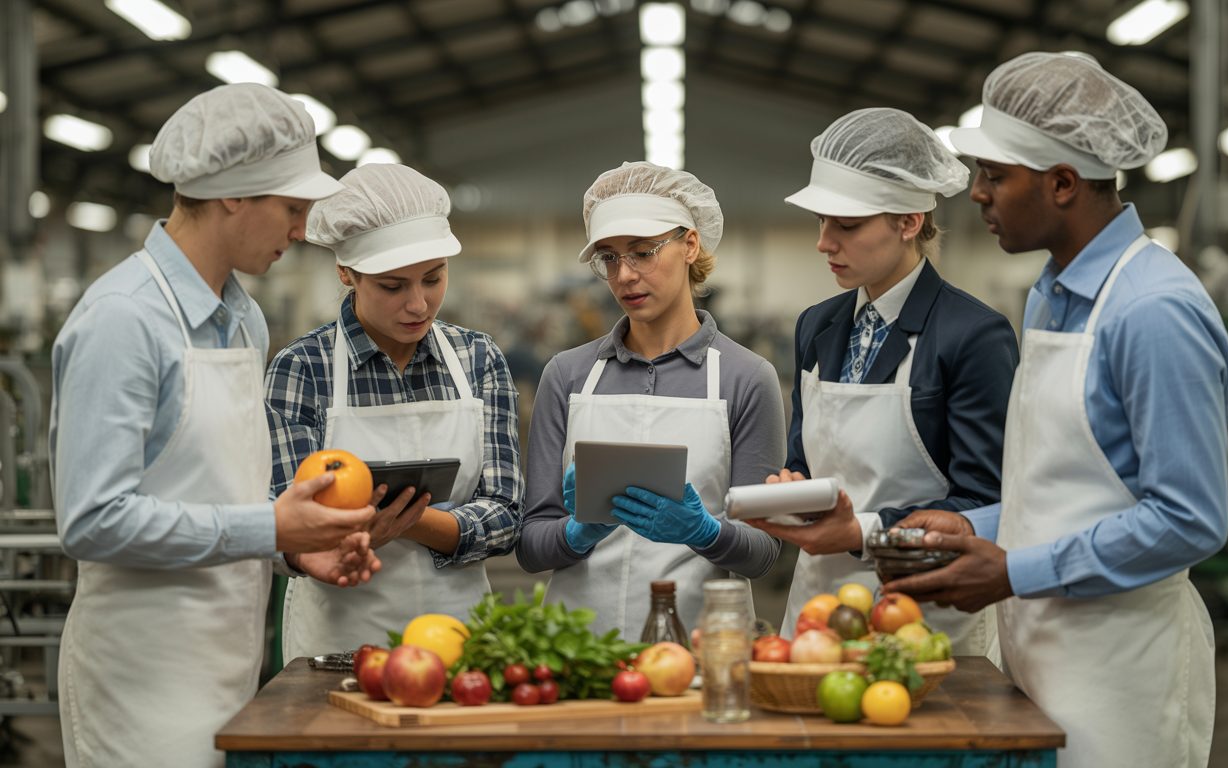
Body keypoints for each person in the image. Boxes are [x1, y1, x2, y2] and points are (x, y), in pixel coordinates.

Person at [882, 52, 1228, 768]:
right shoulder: (1051, 294)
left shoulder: (1153, 311)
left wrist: (1015, 571)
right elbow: (1067, 488)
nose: (977, 193)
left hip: (1123, 675)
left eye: (995, 175)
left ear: (1063, 183)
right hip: (1039, 656)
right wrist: (977, 525)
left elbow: (1190, 518)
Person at [49, 84, 381, 768]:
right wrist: (270, 528)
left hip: (228, 664)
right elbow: (92, 520)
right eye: (291, 209)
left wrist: (293, 552)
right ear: (233, 195)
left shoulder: (242, 319)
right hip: (139, 676)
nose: (300, 230)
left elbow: (216, 489)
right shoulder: (124, 320)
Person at [742, 108, 1018, 655]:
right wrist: (791, 492)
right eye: (821, 222)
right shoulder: (817, 326)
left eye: (846, 226)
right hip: (817, 613)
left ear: (909, 221)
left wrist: (863, 532)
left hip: (925, 619)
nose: (824, 243)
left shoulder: (972, 335)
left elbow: (988, 502)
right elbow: (806, 460)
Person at [265, 163, 524, 660]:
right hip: (339, 641)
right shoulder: (302, 368)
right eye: (392, 286)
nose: (418, 304)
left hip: (461, 641)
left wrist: (403, 519)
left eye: (433, 278)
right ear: (346, 273)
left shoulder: (478, 358)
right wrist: (329, 542)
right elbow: (279, 520)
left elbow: (507, 514)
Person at [516, 161, 785, 639]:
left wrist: (705, 531)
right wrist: (575, 534)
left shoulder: (746, 378)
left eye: (642, 253)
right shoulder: (568, 375)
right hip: (577, 648)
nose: (624, 275)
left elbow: (763, 553)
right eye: (609, 258)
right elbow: (531, 546)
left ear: (690, 245)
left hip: (701, 646)